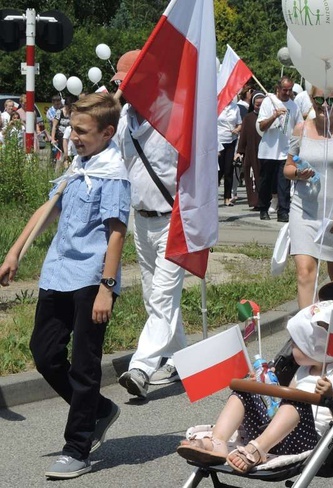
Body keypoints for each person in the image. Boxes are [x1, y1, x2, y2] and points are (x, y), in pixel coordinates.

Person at [0, 93, 129, 480]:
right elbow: (49, 208)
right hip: (58, 272)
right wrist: (13, 252)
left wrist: (107, 287)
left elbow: (117, 233)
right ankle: (99, 411)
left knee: (85, 366)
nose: (72, 136)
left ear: (107, 133)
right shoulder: (80, 164)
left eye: (81, 131)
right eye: (72, 128)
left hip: (91, 279)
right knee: (44, 352)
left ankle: (78, 448)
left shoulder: (113, 173)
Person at [175, 301, 333, 473]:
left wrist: (330, 396)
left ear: (316, 347)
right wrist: (262, 384)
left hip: (306, 440)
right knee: (245, 390)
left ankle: (257, 450)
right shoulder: (303, 371)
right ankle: (217, 441)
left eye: (296, 343)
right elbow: (279, 403)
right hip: (276, 435)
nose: (291, 346)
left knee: (296, 401)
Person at [113, 50, 188, 400]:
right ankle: (180, 357)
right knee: (153, 295)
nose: (122, 90)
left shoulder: (174, 116)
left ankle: (142, 368)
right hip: (141, 220)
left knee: (161, 296)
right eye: (120, 84)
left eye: (127, 84)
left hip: (174, 219)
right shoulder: (122, 119)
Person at [283, 87, 333, 309]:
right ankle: (307, 327)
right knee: (305, 271)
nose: (324, 105)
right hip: (304, 210)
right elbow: (287, 167)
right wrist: (298, 173)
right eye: (318, 99)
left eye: (330, 100)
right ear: (310, 99)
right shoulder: (301, 129)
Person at [256, 76, 303, 222]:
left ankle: (283, 211)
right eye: (284, 90)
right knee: (266, 182)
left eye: (290, 90)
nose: (287, 93)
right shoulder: (268, 102)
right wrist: (274, 115)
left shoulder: (293, 106)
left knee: (284, 184)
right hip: (268, 150)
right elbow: (262, 126)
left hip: (285, 151)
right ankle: (263, 208)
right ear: (278, 89)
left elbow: (300, 125)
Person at [237, 92, 266, 210]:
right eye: (257, 104)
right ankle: (255, 201)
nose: (259, 107)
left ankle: (265, 200)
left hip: (265, 152)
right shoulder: (248, 118)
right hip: (251, 152)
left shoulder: (268, 118)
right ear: (253, 104)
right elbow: (243, 135)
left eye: (262, 105)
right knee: (252, 177)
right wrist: (240, 150)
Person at [218, 100, 242, 207]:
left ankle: (227, 197)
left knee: (228, 170)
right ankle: (211, 197)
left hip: (231, 141)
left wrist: (237, 129)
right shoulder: (216, 104)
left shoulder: (235, 107)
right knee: (218, 171)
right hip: (218, 141)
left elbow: (239, 123)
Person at [52, 95, 77, 172]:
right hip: (60, 135)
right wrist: (52, 138)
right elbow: (54, 126)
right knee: (62, 154)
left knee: (68, 154)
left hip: (70, 135)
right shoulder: (60, 112)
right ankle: (58, 171)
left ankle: (67, 170)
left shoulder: (72, 113)